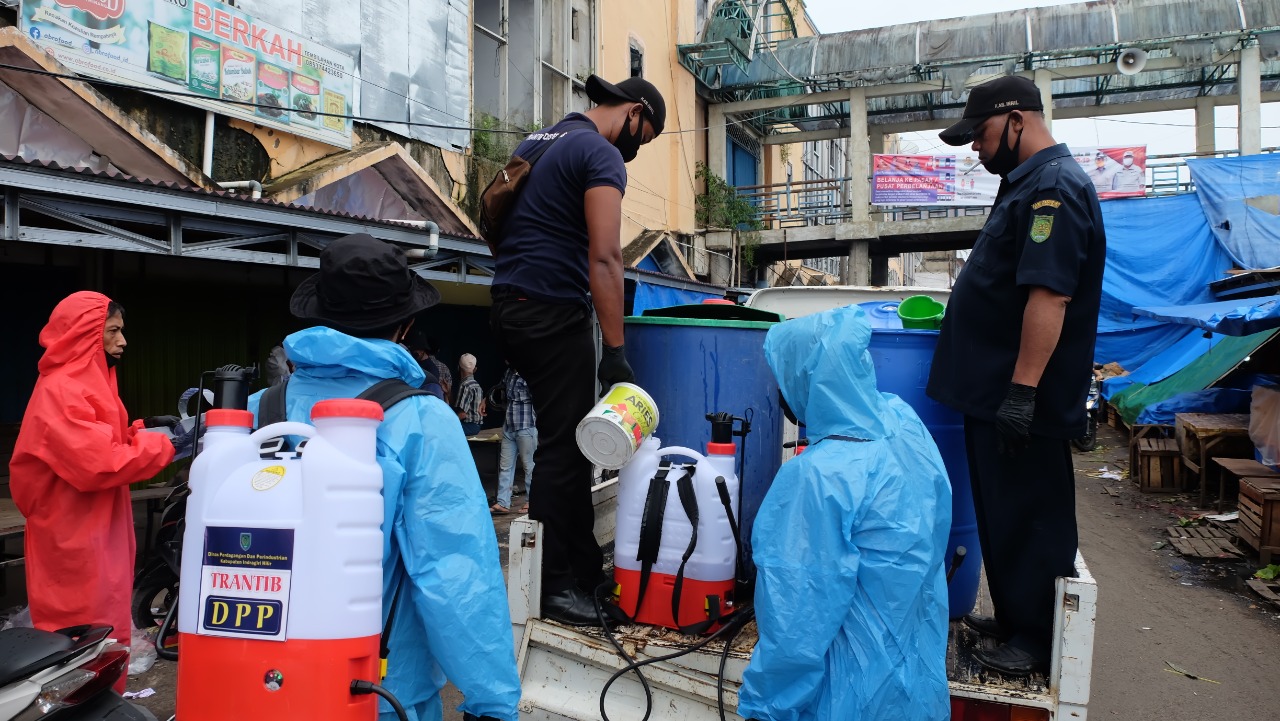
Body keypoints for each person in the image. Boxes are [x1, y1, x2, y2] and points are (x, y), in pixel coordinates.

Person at [247, 234, 519, 721]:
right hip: (376, 691)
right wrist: (492, 701)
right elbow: (455, 573)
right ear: (406, 326)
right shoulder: (421, 421)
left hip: (255, 679)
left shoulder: (258, 411)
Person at [931, 75, 1106, 675]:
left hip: (1021, 399)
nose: (975, 149)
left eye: (978, 135)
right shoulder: (1025, 184)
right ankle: (1013, 619)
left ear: (1015, 120)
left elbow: (1049, 297)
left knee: (1032, 516)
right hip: (997, 395)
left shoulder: (1053, 187)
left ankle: (1033, 639)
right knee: (1003, 514)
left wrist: (1022, 393)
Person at [489, 74, 665, 625]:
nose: (639, 147)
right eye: (647, 134)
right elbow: (607, 258)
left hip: (507, 304)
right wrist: (615, 351)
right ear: (633, 112)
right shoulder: (599, 154)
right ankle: (552, 586)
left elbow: (500, 216)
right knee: (563, 455)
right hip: (552, 308)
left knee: (562, 442)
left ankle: (585, 570)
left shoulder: (538, 142)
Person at [737, 305, 952, 721]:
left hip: (850, 696)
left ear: (807, 380)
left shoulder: (819, 477)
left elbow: (795, 621)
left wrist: (764, 708)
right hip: (918, 685)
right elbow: (937, 517)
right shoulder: (904, 424)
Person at [9, 292, 180, 693]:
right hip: (72, 531)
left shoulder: (86, 383)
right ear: (86, 334)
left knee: (105, 620)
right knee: (79, 631)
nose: (123, 342)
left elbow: (101, 438)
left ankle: (103, 703)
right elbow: (99, 462)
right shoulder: (61, 390)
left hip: (95, 522)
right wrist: (167, 445)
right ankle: (82, 704)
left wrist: (144, 429)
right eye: (113, 331)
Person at [491, 365, 536, 515]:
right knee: (505, 466)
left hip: (526, 424)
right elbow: (500, 388)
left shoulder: (530, 372)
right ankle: (503, 502)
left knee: (529, 466)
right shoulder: (509, 372)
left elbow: (539, 397)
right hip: (509, 425)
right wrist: (486, 399)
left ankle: (532, 502)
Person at [454, 353, 485, 436]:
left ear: (458, 367)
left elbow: (462, 414)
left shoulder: (465, 385)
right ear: (475, 369)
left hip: (468, 426)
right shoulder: (476, 385)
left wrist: (449, 423)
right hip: (476, 426)